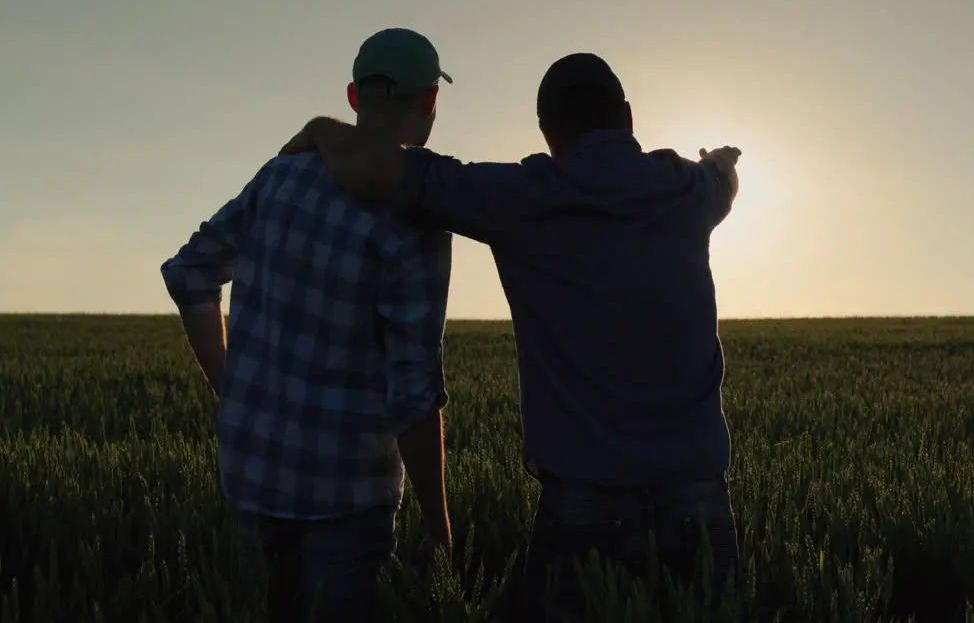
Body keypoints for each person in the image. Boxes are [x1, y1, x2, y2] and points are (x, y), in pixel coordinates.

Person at [280, 52, 744, 621]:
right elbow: (723, 180)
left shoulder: (520, 195)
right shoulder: (688, 189)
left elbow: (381, 171)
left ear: (547, 131)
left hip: (583, 503)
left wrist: (322, 128)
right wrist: (720, 161)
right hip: (699, 496)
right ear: (626, 115)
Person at [160, 28, 456, 623]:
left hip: (252, 476)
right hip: (348, 498)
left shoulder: (281, 176)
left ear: (353, 95)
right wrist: (438, 521)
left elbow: (190, 273)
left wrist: (229, 386)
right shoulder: (415, 216)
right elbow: (413, 392)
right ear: (430, 102)